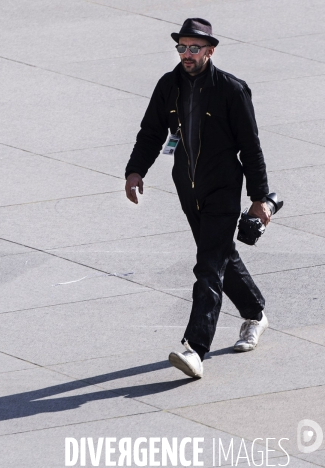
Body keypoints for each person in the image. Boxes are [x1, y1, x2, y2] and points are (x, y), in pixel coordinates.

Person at [124, 18, 270, 378]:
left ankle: (195, 349)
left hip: (222, 187)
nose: (186, 54)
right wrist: (135, 170)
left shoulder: (231, 90)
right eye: (182, 47)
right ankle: (255, 314)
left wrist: (259, 198)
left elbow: (251, 147)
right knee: (220, 255)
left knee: (207, 266)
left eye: (194, 48)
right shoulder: (168, 85)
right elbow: (152, 131)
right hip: (187, 186)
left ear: (210, 51)